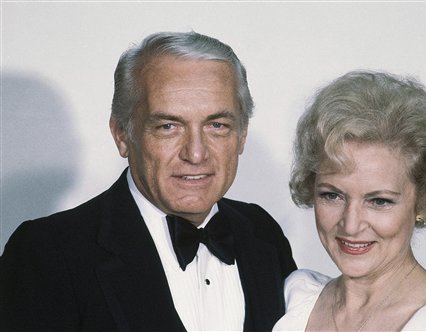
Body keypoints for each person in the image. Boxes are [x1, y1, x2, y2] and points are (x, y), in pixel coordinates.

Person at [0, 31, 296, 331]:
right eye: (168, 126)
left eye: (217, 125)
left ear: (242, 135)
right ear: (122, 135)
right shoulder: (46, 253)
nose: (195, 153)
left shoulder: (262, 234)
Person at [273, 71, 426, 331]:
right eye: (332, 195)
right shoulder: (296, 303)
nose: (351, 225)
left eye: (379, 201)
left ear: (423, 200)